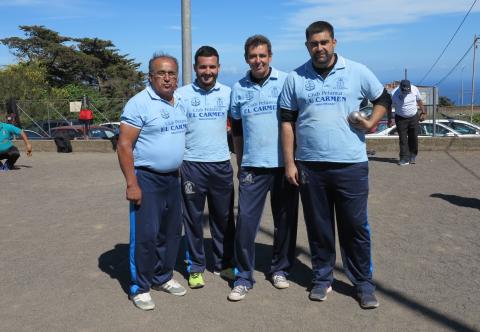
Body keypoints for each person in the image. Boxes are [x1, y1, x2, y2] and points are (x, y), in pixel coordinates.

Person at [279, 21, 391, 309]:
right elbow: (287, 122)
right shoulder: (295, 78)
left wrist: (371, 122)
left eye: (325, 42)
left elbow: (382, 98)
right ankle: (322, 277)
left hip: (351, 165)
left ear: (334, 42)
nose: (320, 48)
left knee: (355, 226)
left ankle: (363, 283)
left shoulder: (356, 71)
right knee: (319, 227)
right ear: (307, 46)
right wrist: (290, 163)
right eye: (314, 43)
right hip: (310, 166)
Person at [227, 35, 299, 301]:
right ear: (247, 58)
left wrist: (295, 160)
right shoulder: (238, 88)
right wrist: (240, 160)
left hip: (284, 166)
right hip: (252, 168)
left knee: (285, 221)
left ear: (270, 56)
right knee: (245, 223)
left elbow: (296, 121)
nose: (258, 60)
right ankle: (244, 277)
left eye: (262, 56)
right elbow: (236, 128)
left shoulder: (286, 82)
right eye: (252, 56)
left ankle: (280, 269)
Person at [117, 53, 188, 311]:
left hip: (173, 180)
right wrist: (131, 183)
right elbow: (124, 145)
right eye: (161, 73)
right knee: (145, 237)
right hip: (147, 179)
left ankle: (163, 277)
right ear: (151, 76)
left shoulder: (178, 102)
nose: (167, 78)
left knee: (170, 234)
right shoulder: (139, 104)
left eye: (171, 73)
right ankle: (141, 286)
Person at [175, 46, 236, 289]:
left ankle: (225, 263)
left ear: (219, 68)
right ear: (195, 68)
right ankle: (196, 267)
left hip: (221, 164)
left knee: (224, 219)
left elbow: (241, 127)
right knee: (192, 220)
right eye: (203, 67)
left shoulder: (229, 93)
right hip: (191, 166)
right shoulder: (181, 94)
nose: (207, 72)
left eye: (212, 67)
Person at [389, 79, 426, 165]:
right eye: (404, 91)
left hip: (413, 117)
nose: (406, 92)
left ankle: (412, 156)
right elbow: (389, 107)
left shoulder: (414, 89)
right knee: (402, 139)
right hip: (400, 118)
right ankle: (403, 158)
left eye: (407, 91)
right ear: (400, 88)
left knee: (413, 137)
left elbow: (419, 101)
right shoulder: (394, 93)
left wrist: (423, 112)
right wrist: (390, 118)